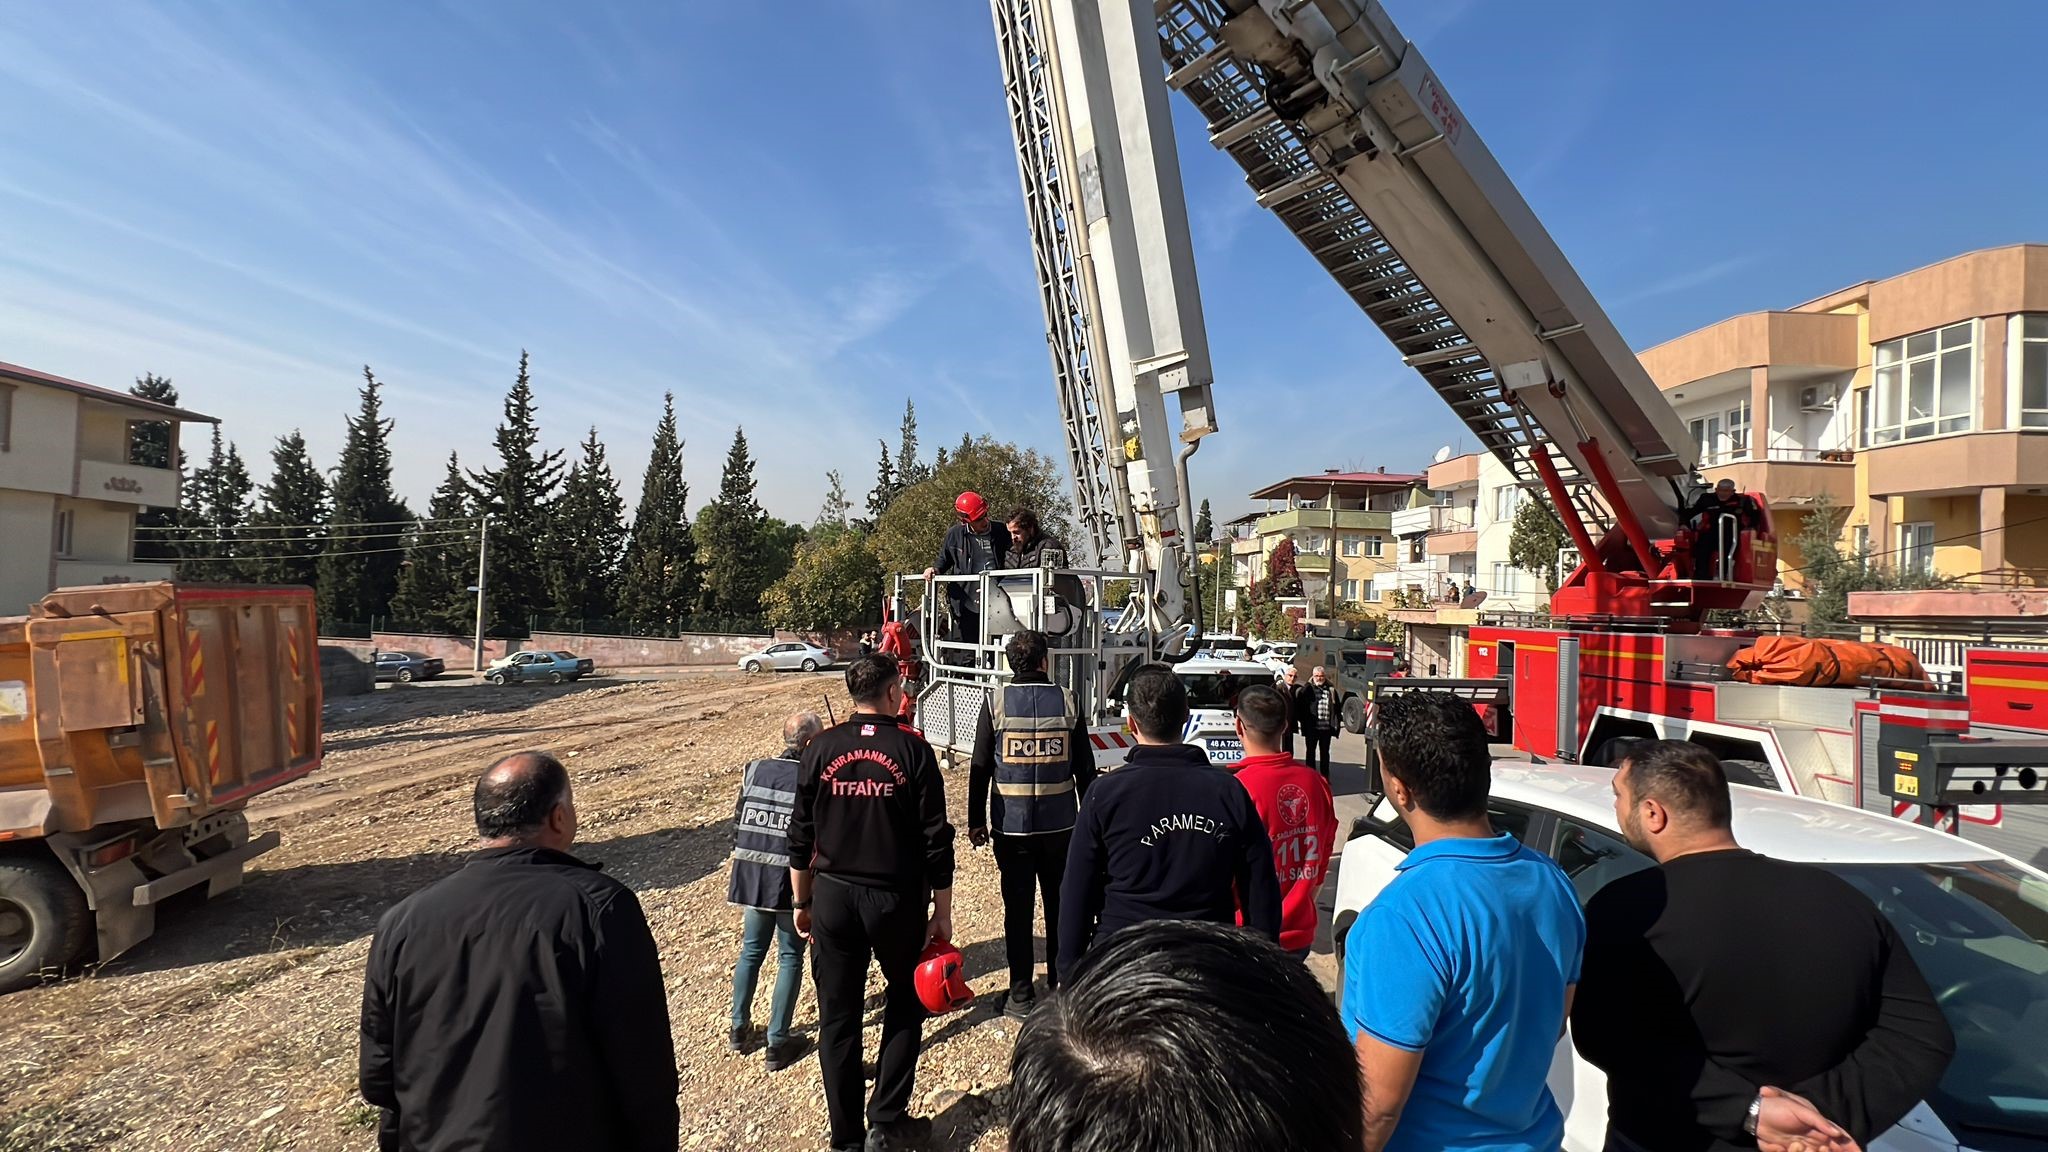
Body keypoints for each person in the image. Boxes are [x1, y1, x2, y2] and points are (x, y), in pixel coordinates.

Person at [1572, 740, 1955, 1152]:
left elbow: (1609, 1039)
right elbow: (1922, 1036)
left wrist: (1750, 1111)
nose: (1616, 807)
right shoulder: (1843, 899)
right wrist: (1821, 1118)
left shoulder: (1628, 907)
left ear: (1652, 813)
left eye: (1618, 795)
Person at [360, 752, 678, 1152]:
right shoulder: (598, 909)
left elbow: (378, 1075)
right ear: (559, 817)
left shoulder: (401, 922)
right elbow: (641, 1066)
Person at [1341, 692, 1582, 1152]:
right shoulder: (1553, 883)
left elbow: (1378, 1107)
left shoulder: (1403, 916)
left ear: (1399, 789)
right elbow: (1551, 1025)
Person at [789, 653, 956, 1152]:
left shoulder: (820, 748)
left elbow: (800, 836)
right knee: (905, 1001)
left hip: (834, 895)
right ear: (891, 693)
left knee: (838, 1017)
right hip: (895, 898)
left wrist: (802, 900)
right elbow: (935, 839)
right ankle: (885, 1116)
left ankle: (846, 1138)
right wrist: (941, 912)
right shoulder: (913, 751)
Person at [1009, 919, 1364, 1152]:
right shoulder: (1305, 1075)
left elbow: (1079, 883)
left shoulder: (1105, 800)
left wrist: (1068, 972)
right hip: (1234, 974)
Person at [1057, 663, 1281, 976]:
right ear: (1186, 717)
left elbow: (1076, 892)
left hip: (1123, 964)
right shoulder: (1229, 791)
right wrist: (1262, 968)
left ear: (1131, 723)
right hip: (1208, 964)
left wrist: (1069, 972)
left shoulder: (1104, 794)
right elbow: (1261, 890)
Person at [968, 629, 1097, 1018]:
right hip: (1061, 828)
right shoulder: (1068, 701)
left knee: (1018, 910)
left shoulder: (996, 704)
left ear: (1012, 664)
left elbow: (980, 767)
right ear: (1045, 662)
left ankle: (1021, 994)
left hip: (1013, 829)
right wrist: (1093, 826)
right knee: (1062, 905)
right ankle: (1061, 988)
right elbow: (1086, 770)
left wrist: (976, 821)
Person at [727, 711, 825, 1071]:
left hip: (752, 875)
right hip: (788, 883)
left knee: (750, 952)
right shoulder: (810, 778)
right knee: (789, 957)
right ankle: (777, 1042)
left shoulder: (756, 769)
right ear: (811, 743)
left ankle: (739, 1029)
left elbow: (737, 824)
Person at [1230, 684, 1338, 960]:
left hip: (1248, 936)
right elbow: (1322, 856)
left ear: (1239, 727)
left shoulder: (1237, 789)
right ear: (1286, 726)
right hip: (1299, 934)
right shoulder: (1316, 783)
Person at [923, 490, 1012, 661]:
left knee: (998, 651)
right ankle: (969, 682)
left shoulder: (1001, 531)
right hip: (967, 604)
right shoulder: (955, 535)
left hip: (999, 602)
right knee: (969, 651)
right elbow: (944, 559)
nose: (985, 521)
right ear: (965, 521)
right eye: (979, 519)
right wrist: (934, 569)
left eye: (985, 515)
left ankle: (996, 685)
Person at [1687, 479, 1763, 581]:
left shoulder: (1743, 501)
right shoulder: (1706, 499)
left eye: (1726, 491)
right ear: (1716, 489)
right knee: (1702, 547)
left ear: (1733, 491)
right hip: (1712, 531)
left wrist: (1751, 528)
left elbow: (1755, 516)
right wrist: (1683, 523)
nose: (1723, 493)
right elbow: (1692, 512)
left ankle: (1724, 574)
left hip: (1732, 533)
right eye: (1720, 490)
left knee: (1728, 549)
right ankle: (1701, 575)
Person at [1302, 665, 1341, 780]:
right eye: (1317, 676)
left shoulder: (1331, 690)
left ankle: (1325, 777)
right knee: (1310, 752)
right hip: (1312, 728)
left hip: (1326, 729)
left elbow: (1337, 708)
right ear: (1313, 676)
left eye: (1321, 676)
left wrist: (1335, 725)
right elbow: (1302, 707)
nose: (1319, 678)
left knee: (1325, 753)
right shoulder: (1307, 689)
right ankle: (1311, 776)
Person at [1280, 666, 1304, 757]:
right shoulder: (1278, 688)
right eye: (1290, 675)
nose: (1292, 678)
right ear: (1284, 676)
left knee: (1289, 749)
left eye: (1295, 676)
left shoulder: (1297, 690)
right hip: (1279, 724)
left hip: (1290, 724)